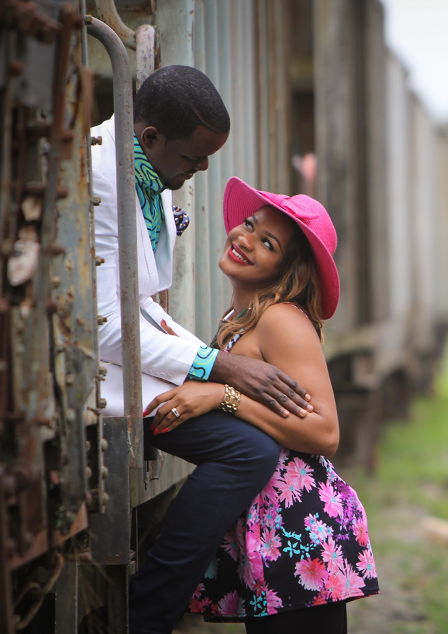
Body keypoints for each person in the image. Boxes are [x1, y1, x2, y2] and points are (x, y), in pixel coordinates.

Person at [90, 65, 313, 634]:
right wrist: (219, 366)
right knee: (248, 453)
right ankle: (148, 613)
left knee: (251, 447)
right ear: (151, 139)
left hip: (139, 362)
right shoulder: (97, 174)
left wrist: (217, 382)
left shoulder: (147, 176)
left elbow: (142, 301)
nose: (202, 169)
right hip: (96, 371)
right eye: (194, 157)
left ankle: (154, 604)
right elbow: (101, 324)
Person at [145, 177, 379, 633]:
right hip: (268, 526)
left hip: (299, 528)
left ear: (286, 270)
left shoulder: (280, 320)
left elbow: (325, 432)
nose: (245, 239)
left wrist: (223, 396)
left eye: (266, 242)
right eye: (249, 225)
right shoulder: (242, 317)